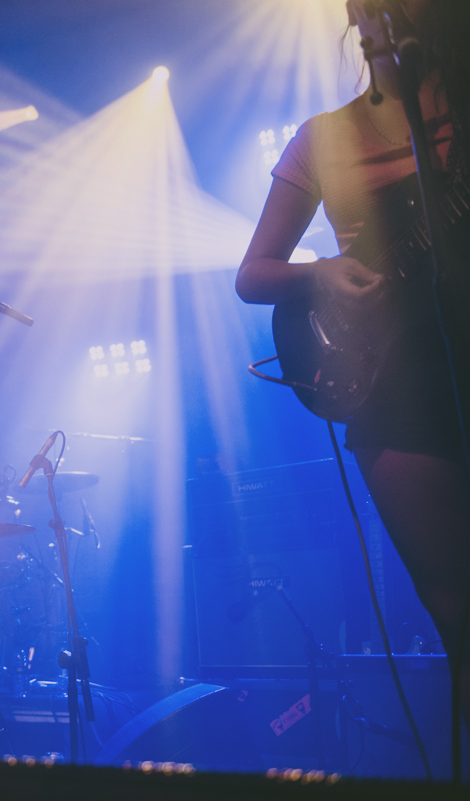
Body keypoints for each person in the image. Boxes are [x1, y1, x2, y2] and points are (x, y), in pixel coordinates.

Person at [236, 0, 470, 722]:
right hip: (395, 382)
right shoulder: (324, 138)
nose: (377, 15)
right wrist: (320, 274)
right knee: (457, 602)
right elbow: (253, 274)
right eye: (365, 6)